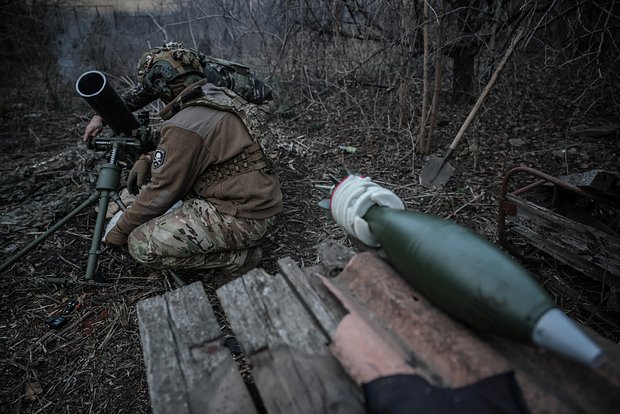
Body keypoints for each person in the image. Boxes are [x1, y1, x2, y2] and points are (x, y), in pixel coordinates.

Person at [98, 43, 282, 275]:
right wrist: (149, 158)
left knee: (140, 243)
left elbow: (161, 192)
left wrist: (120, 231)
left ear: (163, 88)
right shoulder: (220, 95)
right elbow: (199, 150)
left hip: (245, 217)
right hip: (261, 203)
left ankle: (238, 259)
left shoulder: (183, 124)